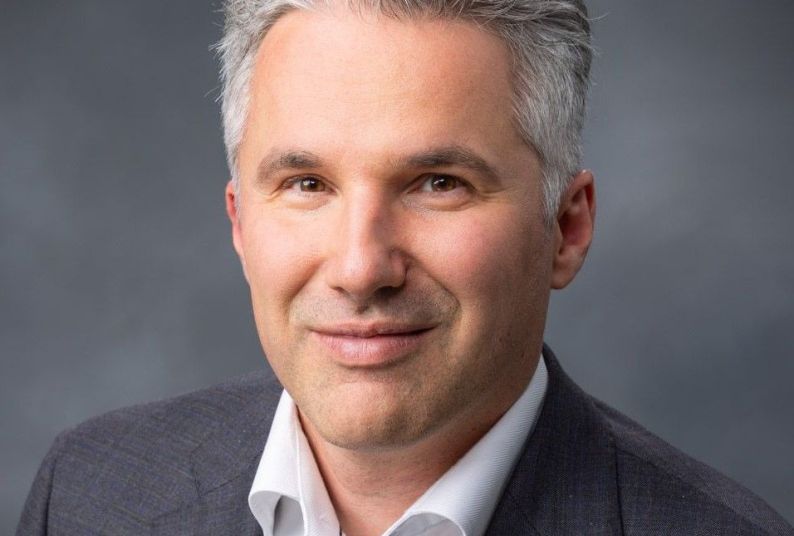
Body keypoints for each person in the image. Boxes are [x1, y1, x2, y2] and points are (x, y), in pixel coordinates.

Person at [16, 0, 793, 535]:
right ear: (240, 223)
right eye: (307, 184)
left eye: (438, 184)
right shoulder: (89, 493)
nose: (361, 268)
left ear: (565, 227)